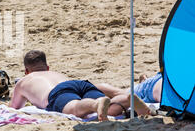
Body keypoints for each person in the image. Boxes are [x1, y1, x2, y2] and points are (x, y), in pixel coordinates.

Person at [9, 50, 151, 121]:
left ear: (26, 71)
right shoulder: (55, 73)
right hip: (78, 83)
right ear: (47, 67)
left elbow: (14, 107)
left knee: (75, 108)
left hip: (57, 92)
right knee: (109, 109)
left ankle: (95, 104)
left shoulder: (23, 81)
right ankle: (126, 99)